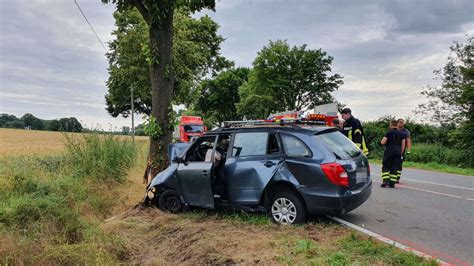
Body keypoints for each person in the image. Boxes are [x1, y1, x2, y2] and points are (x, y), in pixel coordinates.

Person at [380, 120, 406, 188]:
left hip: (389, 151)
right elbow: (403, 145)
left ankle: (385, 181)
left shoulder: (389, 132)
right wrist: (401, 153)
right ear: (397, 124)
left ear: (391, 125)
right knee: (394, 167)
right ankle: (392, 183)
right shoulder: (402, 134)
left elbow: (382, 142)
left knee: (385, 166)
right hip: (398, 152)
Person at [396, 118, 411, 183]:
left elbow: (408, 141)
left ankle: (397, 178)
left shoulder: (405, 131)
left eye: (403, 122)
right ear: (397, 123)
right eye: (400, 122)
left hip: (401, 150)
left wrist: (408, 150)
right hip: (393, 149)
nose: (402, 123)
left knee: (399, 164)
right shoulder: (394, 129)